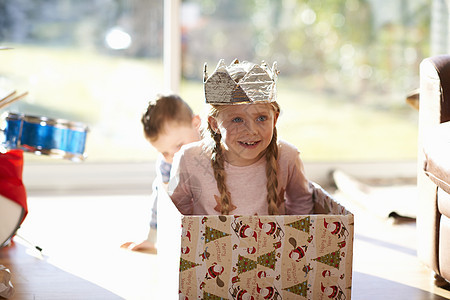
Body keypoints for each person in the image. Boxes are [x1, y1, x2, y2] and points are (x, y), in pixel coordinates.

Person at [168, 59, 314, 216]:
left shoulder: (288, 157)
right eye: (237, 120)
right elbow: (175, 214)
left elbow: (302, 205)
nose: (251, 131)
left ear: (275, 119)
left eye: (261, 118)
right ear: (214, 124)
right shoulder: (189, 159)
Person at [121, 93, 201, 252]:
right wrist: (151, 238)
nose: (174, 156)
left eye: (179, 146)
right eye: (164, 152)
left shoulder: (215, 147)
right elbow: (162, 199)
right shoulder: (167, 165)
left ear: (196, 124)